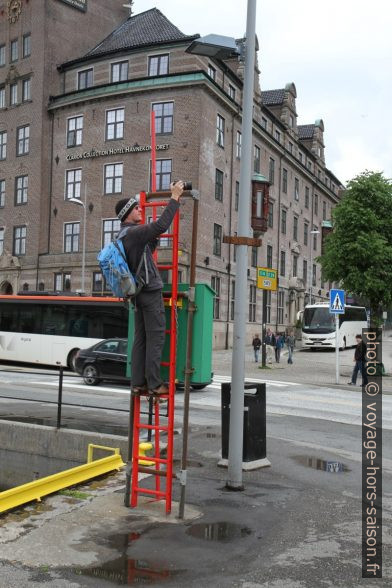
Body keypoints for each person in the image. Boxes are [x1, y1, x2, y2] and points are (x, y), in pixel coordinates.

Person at [115, 181, 184, 398]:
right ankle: (154, 384)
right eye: (136, 208)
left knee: (141, 338)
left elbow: (145, 250)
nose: (140, 209)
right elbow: (161, 227)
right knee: (156, 337)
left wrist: (151, 237)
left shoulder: (124, 235)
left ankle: (138, 383)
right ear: (127, 214)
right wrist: (174, 198)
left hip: (137, 293)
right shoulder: (133, 233)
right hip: (149, 290)